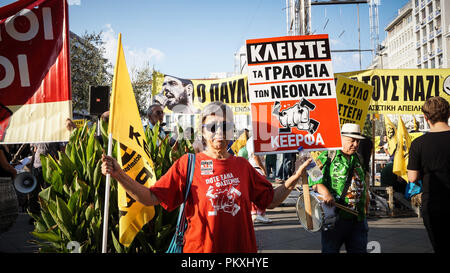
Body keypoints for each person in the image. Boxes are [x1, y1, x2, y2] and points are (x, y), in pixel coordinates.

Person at [101, 101, 311, 253]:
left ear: (232, 131)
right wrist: (119, 175)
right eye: (212, 127)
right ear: (203, 131)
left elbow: (271, 200)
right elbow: (150, 197)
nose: (219, 131)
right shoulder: (188, 164)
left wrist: (295, 176)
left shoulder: (243, 166)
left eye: (225, 126)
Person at [309, 123, 369, 253]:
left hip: (358, 218)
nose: (355, 145)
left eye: (358, 141)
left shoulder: (359, 158)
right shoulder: (327, 155)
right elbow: (313, 177)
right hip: (335, 217)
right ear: (340, 138)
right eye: (351, 141)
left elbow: (364, 180)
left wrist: (366, 200)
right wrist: (324, 192)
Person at [407, 96, 450, 253]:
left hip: (433, 204)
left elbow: (412, 177)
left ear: (425, 117)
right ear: (449, 114)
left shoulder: (418, 144)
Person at [246, 136, 272, 224]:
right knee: (262, 193)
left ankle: (255, 214)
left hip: (255, 168)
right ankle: (259, 214)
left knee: (256, 192)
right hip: (257, 169)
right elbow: (255, 157)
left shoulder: (252, 140)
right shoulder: (254, 140)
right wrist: (263, 169)